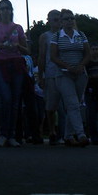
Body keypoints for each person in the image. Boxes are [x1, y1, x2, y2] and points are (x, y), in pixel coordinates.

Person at [0, 0, 28, 147]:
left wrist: (17, 45)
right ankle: (2, 134)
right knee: (6, 99)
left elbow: (26, 50)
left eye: (7, 8)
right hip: (0, 64)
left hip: (16, 63)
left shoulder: (18, 28)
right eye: (2, 9)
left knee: (15, 102)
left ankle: (11, 135)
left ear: (11, 10)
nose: (4, 11)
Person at [49, 9, 90, 146]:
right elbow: (53, 56)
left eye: (71, 18)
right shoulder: (56, 36)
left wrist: (80, 66)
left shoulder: (81, 35)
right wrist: (67, 66)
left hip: (80, 73)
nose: (69, 21)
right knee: (72, 104)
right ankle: (81, 134)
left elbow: (87, 53)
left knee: (75, 105)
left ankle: (68, 135)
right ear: (61, 21)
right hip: (63, 74)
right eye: (66, 19)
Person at [38, 9, 65, 145]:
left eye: (60, 19)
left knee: (64, 106)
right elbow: (42, 57)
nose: (58, 22)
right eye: (55, 19)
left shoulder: (66, 34)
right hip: (51, 73)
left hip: (65, 73)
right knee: (51, 105)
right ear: (48, 21)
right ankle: (52, 130)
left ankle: (63, 133)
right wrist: (41, 76)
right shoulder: (45, 36)